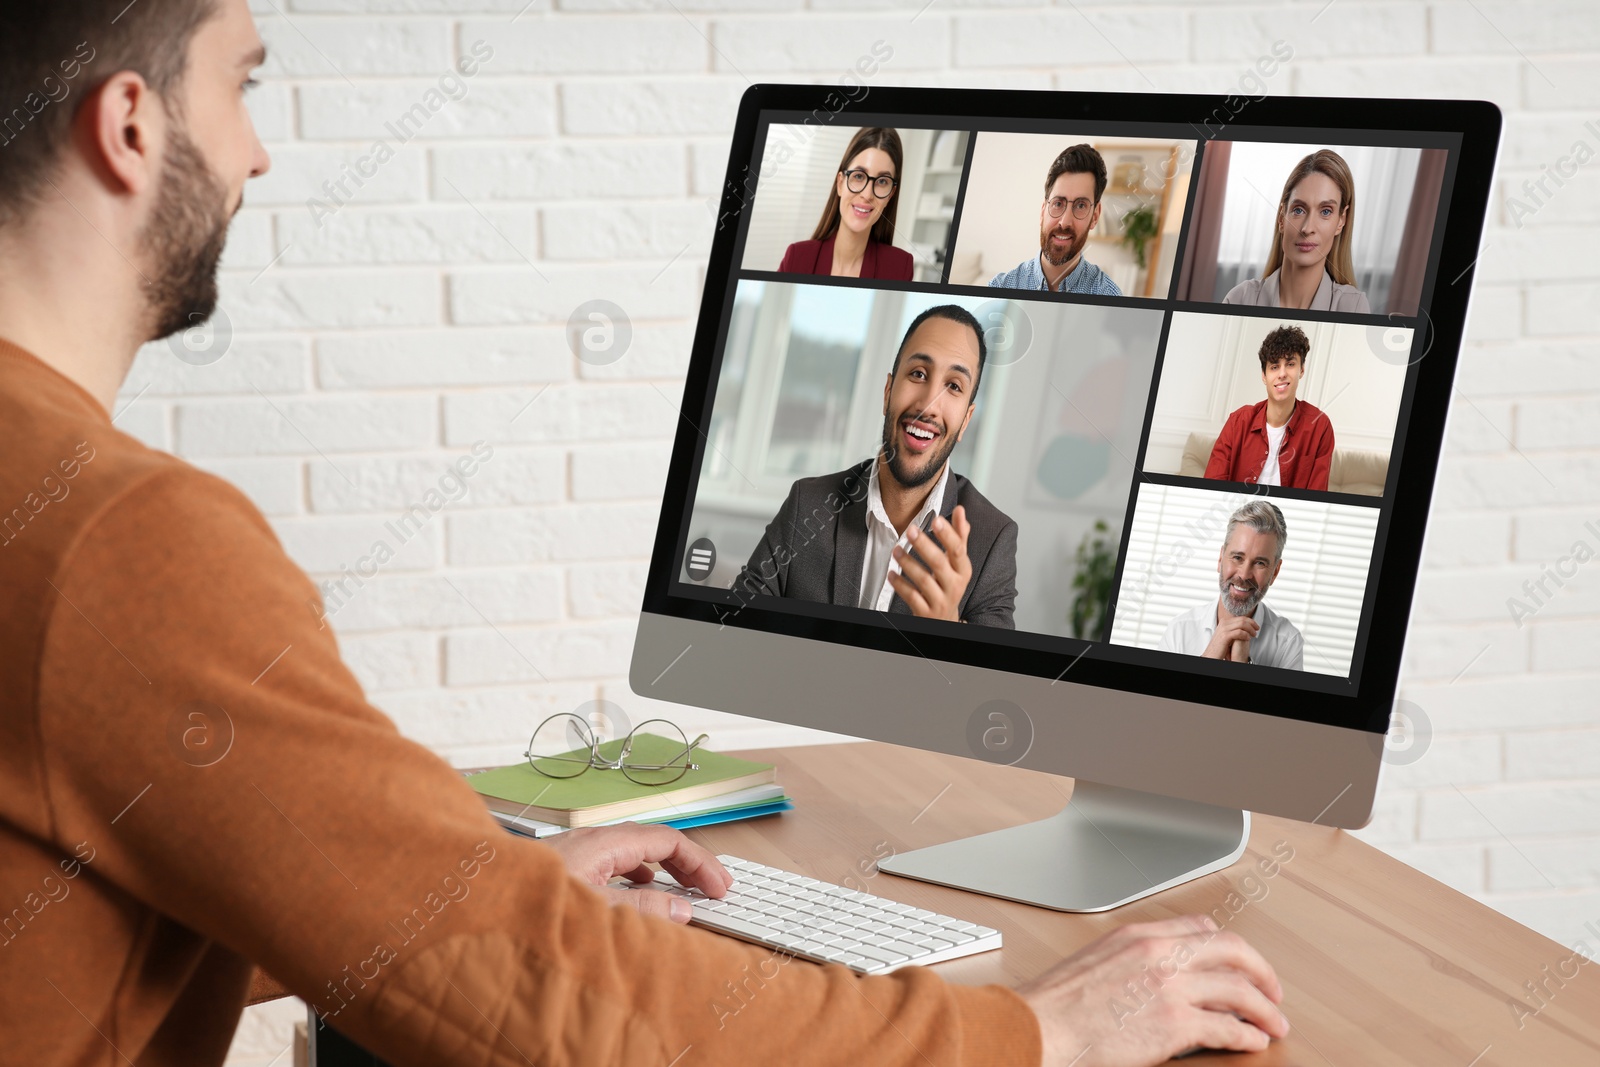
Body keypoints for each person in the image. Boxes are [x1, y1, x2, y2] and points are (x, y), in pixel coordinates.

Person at [0, 4, 1290, 1065]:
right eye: (241, 87)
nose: (257, 154)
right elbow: (561, 1009)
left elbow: (156, 851)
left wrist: (464, 876)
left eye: (957, 383)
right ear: (128, 126)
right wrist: (1036, 1031)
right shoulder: (119, 538)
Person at [737, 306, 1019, 627]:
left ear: (966, 420)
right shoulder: (808, 504)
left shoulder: (992, 540)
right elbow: (732, 627)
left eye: (954, 386)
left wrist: (947, 634)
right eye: (918, 374)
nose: (929, 404)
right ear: (887, 393)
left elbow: (986, 677)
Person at [1159, 502, 1305, 670]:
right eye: (1237, 557)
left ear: (1275, 572)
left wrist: (1242, 666)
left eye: (1259, 563)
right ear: (1221, 558)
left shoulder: (1288, 642)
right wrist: (1208, 658)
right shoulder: (1179, 630)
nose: (1244, 575)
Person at [1222, 149, 1371, 313]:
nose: (1307, 229)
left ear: (1341, 221)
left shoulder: (1353, 307)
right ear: (1281, 217)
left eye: (1326, 211)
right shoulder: (1240, 299)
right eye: (1299, 210)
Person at [1204, 325, 1335, 491]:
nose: (1282, 374)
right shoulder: (1238, 422)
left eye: (1290, 364)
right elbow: (1212, 485)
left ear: (1301, 370)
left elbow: (1316, 496)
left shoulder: (1319, 426)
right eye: (1274, 366)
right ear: (1264, 376)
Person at [777, 126, 915, 281]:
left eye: (882, 181)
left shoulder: (899, 267)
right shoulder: (797, 258)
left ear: (891, 194)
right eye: (858, 176)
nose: (867, 194)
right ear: (840, 183)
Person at [988, 143, 1123, 296]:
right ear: (1043, 211)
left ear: (1095, 216)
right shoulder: (999, 289)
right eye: (1058, 203)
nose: (1065, 222)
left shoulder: (1110, 296)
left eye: (1080, 206)